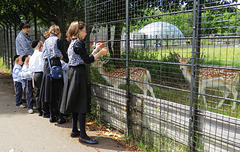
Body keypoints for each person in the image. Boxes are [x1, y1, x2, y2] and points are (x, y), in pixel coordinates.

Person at [60, 21, 108, 144]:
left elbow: (82, 57)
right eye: (84, 30)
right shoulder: (79, 43)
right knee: (81, 102)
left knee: (75, 101)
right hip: (78, 74)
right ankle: (83, 135)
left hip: (73, 73)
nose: (86, 33)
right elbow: (87, 60)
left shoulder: (73, 43)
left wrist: (95, 50)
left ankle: (75, 130)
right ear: (79, 31)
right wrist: (100, 53)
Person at [39, 25, 68, 124]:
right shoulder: (58, 40)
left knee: (50, 90)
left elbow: (43, 55)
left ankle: (51, 116)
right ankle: (60, 116)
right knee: (58, 91)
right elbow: (64, 53)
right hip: (56, 64)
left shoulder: (46, 41)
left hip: (47, 66)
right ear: (58, 32)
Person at [29, 40, 44, 116]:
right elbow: (42, 64)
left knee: (37, 92)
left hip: (34, 74)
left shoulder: (32, 56)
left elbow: (30, 67)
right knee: (43, 91)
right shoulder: (40, 55)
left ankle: (39, 110)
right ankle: (44, 109)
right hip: (40, 73)